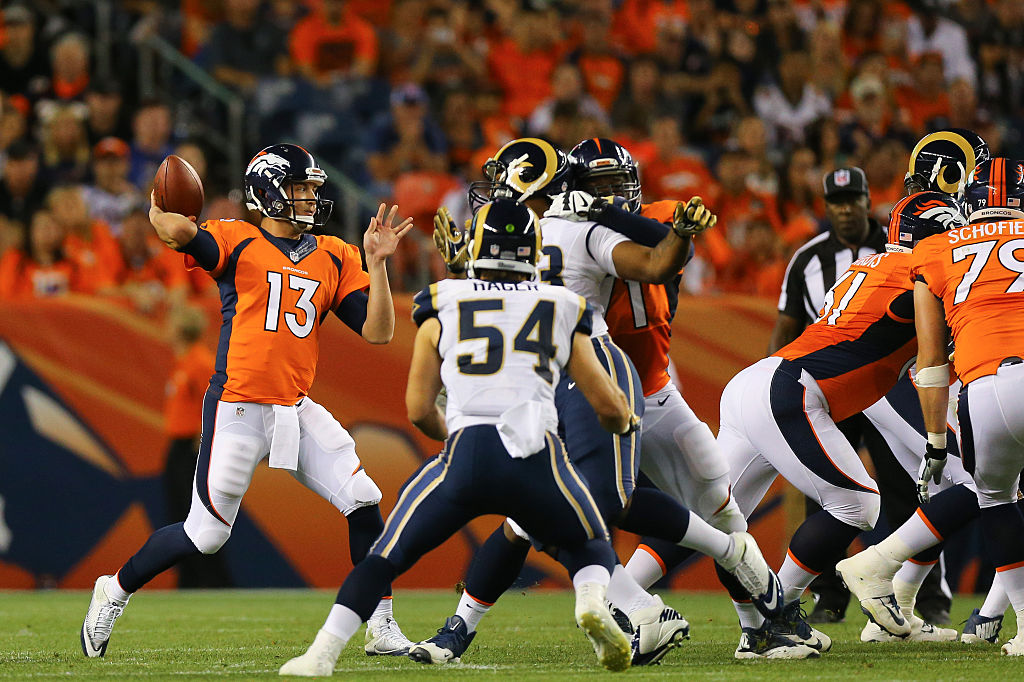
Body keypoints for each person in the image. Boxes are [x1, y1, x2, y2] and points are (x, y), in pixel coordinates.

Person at [412, 138, 785, 668]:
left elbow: (659, 259)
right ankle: (463, 631)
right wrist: (466, 270)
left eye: (506, 186)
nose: (494, 197)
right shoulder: (515, 237)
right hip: (548, 380)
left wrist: (637, 220)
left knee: (626, 500)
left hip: (608, 375)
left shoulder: (582, 225)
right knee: (530, 516)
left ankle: (739, 602)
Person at [79, 144, 415, 659]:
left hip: (296, 409)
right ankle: (114, 589)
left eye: (312, 189)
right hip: (238, 407)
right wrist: (158, 214)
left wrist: (378, 264)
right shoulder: (237, 239)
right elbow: (180, 231)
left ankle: (381, 624)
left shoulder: (335, 254)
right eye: (301, 188)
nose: (310, 198)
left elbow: (378, 332)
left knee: (364, 500)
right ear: (269, 191)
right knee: (205, 534)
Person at [280, 198, 636, 676]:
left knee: (384, 558)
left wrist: (456, 440)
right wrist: (623, 425)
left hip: (467, 453)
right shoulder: (561, 306)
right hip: (537, 456)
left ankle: (321, 655)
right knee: (592, 542)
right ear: (533, 251)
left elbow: (418, 409)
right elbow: (608, 405)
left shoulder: (443, 301)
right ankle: (590, 600)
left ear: (476, 246)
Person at [716, 190, 966, 650]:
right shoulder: (917, 276)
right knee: (858, 503)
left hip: (760, 379)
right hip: (792, 387)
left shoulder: (868, 265)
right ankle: (777, 614)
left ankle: (629, 598)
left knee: (714, 519)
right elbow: (931, 355)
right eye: (951, 235)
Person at [839, 157, 1024, 656]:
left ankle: (901, 595)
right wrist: (937, 437)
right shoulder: (929, 253)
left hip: (923, 380)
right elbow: (932, 357)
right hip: (917, 379)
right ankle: (883, 570)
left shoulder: (912, 254)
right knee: (979, 486)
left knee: (968, 487)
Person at [161, 305, 232, 588]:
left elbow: (217, 404)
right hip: (178, 447)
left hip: (192, 450)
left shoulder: (199, 363)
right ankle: (189, 581)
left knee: (196, 517)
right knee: (179, 515)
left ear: (180, 329)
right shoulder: (182, 362)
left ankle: (212, 582)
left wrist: (203, 441)